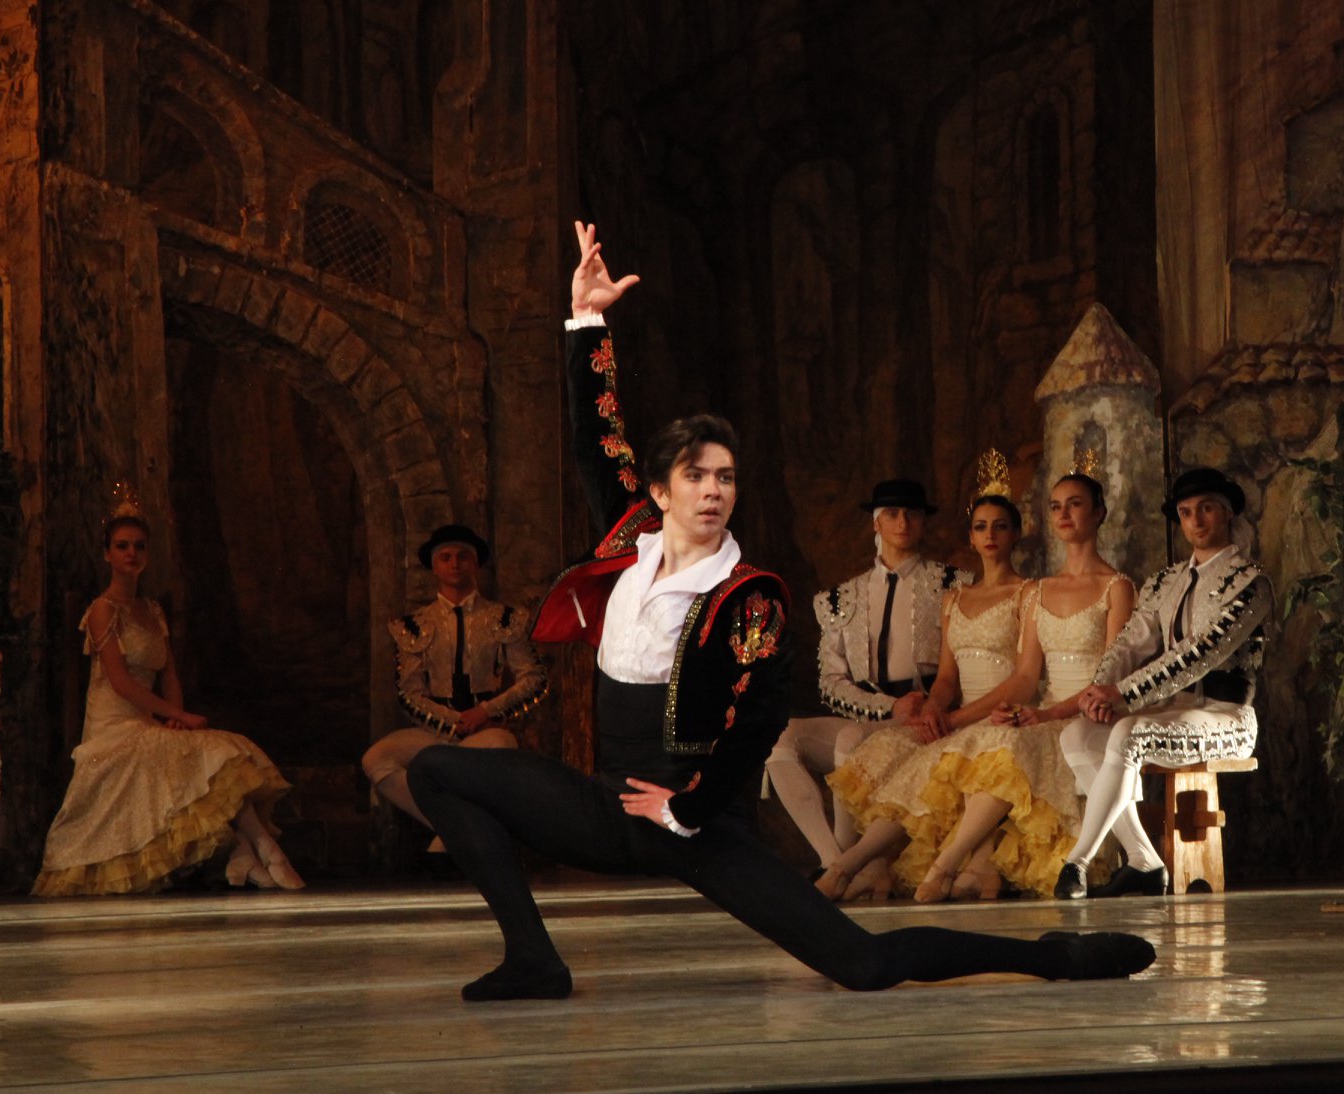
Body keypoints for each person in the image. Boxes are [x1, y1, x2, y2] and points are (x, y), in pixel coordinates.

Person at [403, 221, 1154, 1002]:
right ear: (659, 492)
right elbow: (598, 440)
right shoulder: (629, 541)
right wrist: (587, 320)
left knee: (863, 966)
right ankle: (533, 959)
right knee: (437, 771)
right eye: (695, 477)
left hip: (694, 820)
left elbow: (758, 720)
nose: (712, 490)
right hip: (608, 805)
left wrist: (687, 808)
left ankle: (1057, 957)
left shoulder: (747, 594)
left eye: (725, 478)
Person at [825, 470, 1133, 901]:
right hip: (1036, 713)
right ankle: (848, 865)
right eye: (1056, 506)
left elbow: (1107, 678)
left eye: (1075, 504)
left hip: (1081, 715)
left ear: (1099, 513)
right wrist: (942, 710)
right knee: (937, 754)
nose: (1064, 514)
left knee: (999, 745)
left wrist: (1042, 714)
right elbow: (1025, 674)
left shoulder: (1116, 587)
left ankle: (945, 867)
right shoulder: (1040, 590)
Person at [33, 493, 304, 895]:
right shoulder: (103, 609)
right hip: (113, 728)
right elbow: (121, 682)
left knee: (221, 749)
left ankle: (247, 851)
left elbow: (169, 672)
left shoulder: (152, 610)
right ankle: (263, 849)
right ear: (107, 554)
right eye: (122, 546)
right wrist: (178, 716)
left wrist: (176, 716)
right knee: (208, 750)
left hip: (148, 723)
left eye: (139, 546)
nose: (132, 553)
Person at [816, 455, 1036, 899]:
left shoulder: (1030, 592)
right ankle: (847, 865)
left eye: (1000, 527)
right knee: (904, 762)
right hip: (958, 712)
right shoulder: (955, 597)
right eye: (980, 527)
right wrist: (935, 706)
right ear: (969, 536)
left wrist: (953, 719)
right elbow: (947, 677)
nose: (990, 536)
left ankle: (936, 868)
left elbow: (1023, 678)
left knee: (955, 761)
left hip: (1002, 712)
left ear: (1016, 533)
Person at [1055, 467, 1273, 900]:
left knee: (1130, 731)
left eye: (1206, 509)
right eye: (1186, 512)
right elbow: (1129, 643)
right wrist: (1100, 690)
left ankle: (1076, 862)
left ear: (1227, 513)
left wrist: (1123, 695)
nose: (1195, 521)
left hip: (1228, 718)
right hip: (1173, 710)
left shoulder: (1249, 582)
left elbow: (1198, 654)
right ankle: (1145, 861)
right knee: (1076, 734)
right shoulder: (1165, 581)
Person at [765, 479, 968, 872]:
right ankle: (831, 858)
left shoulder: (953, 585)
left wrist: (925, 705)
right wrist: (889, 706)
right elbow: (831, 683)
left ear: (923, 522)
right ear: (876, 523)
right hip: (870, 713)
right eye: (892, 514)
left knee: (850, 739)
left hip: (927, 713)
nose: (903, 522)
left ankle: (842, 866)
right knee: (781, 737)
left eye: (912, 513)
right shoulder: (841, 598)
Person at [361, 524, 546, 856]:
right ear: (434, 567)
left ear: (475, 563)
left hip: (485, 731)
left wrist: (485, 712)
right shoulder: (413, 625)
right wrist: (451, 721)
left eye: (462, 556)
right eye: (445, 557)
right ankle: (452, 824)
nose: (454, 563)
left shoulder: (505, 618)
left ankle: (455, 829)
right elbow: (409, 692)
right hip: (433, 731)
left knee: (502, 745)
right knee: (376, 759)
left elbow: (533, 678)